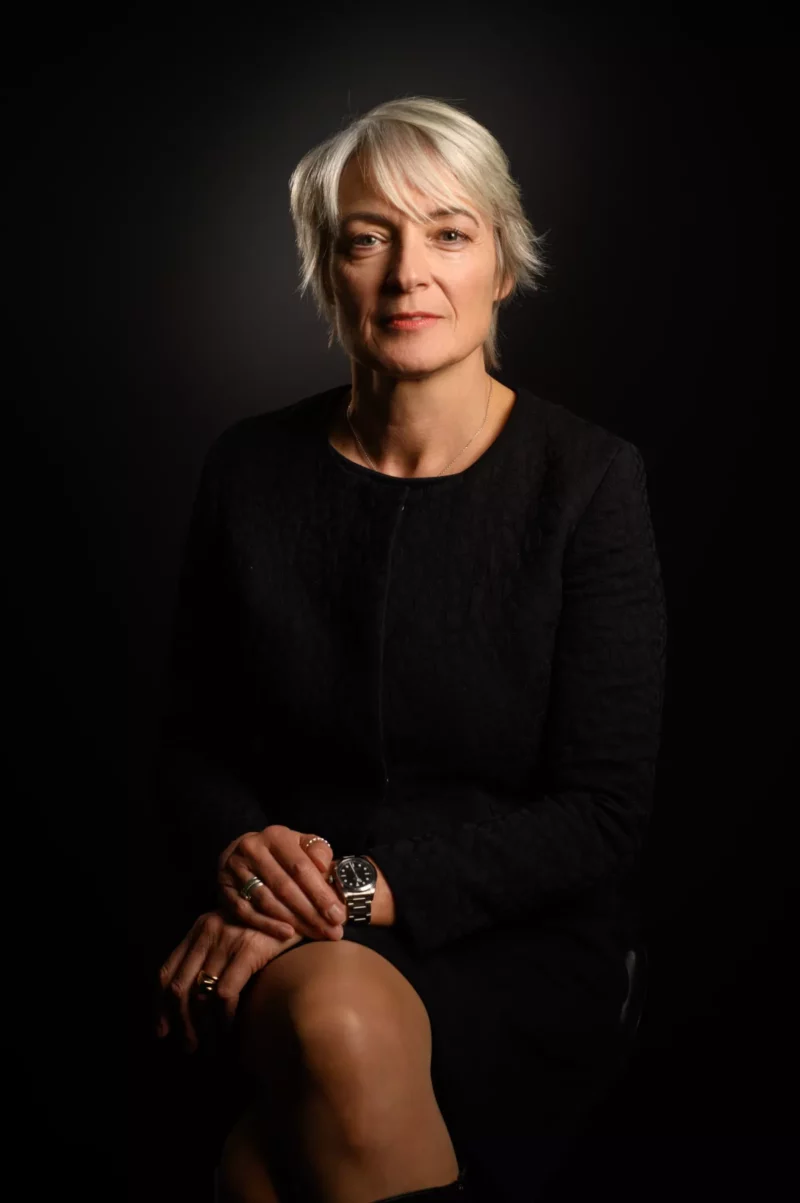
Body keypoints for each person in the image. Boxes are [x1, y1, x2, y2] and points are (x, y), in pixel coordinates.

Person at [151, 95, 667, 1203]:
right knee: (317, 1040)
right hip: (293, 930)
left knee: (261, 1160)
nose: (405, 275)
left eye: (446, 232)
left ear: (501, 264)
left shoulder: (586, 482)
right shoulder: (249, 472)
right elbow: (190, 745)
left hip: (516, 946)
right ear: (326, 269)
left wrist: (341, 894)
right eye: (366, 237)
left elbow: (602, 813)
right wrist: (245, 866)